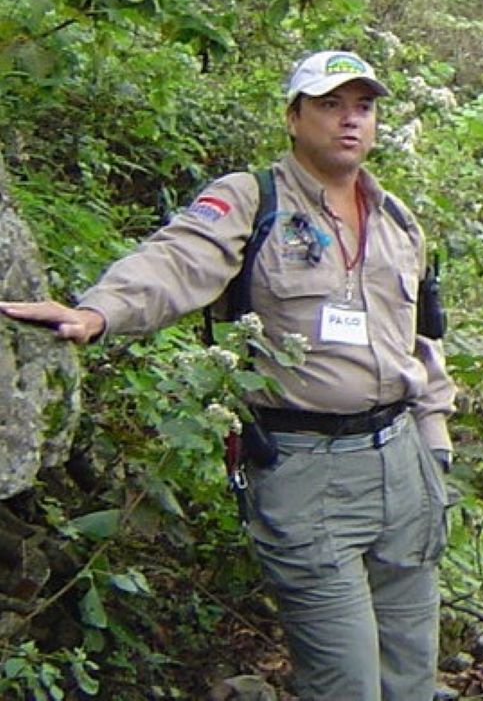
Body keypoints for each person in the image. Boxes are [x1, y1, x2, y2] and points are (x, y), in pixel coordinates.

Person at [1, 51, 455, 700]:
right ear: (293, 117)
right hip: (308, 472)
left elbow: (424, 342)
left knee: (411, 680)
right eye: (330, 104)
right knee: (348, 685)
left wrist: (436, 450)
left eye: (364, 106)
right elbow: (177, 261)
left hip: (404, 467)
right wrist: (99, 312)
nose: (350, 119)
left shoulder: (397, 219)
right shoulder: (252, 198)